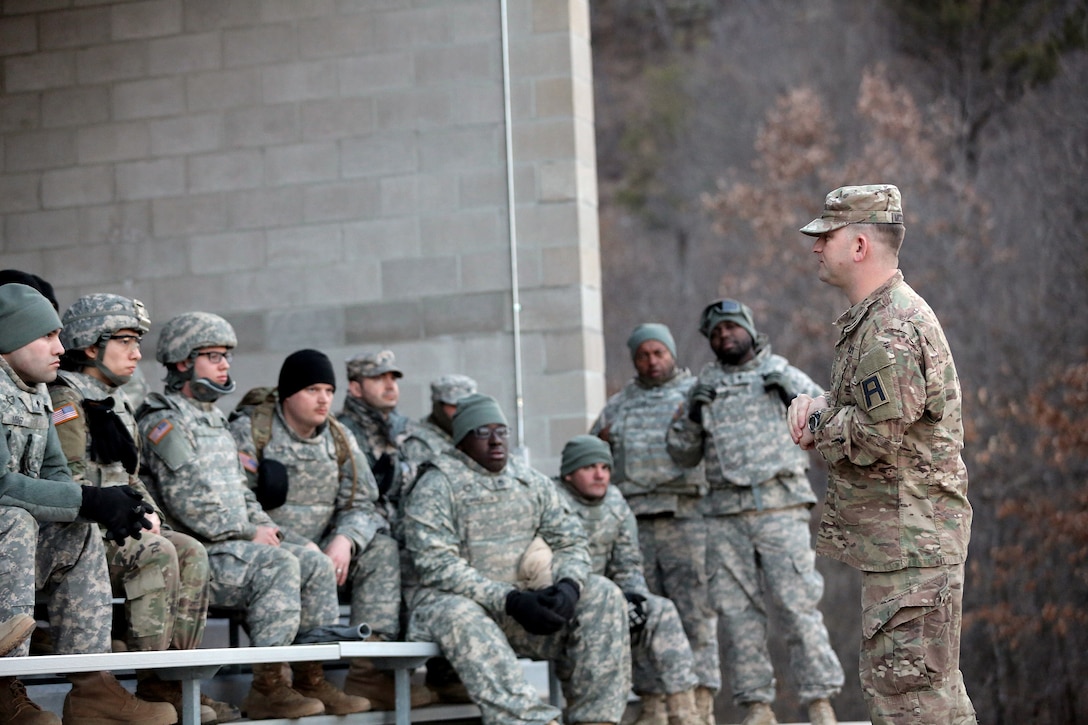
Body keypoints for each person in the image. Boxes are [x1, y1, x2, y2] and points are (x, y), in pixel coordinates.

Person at [789, 184, 976, 724]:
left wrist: (818, 420)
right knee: (924, 693)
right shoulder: (875, 319)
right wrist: (820, 407)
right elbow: (881, 414)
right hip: (903, 542)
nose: (816, 247)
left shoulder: (890, 327)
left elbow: (877, 433)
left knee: (910, 700)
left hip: (911, 543)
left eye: (827, 235)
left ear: (861, 244)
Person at [137, 312, 368, 719]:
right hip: (201, 552)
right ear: (181, 361)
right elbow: (190, 504)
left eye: (226, 355)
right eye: (213, 355)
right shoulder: (165, 420)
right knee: (276, 565)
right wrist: (249, 533)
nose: (225, 364)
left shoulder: (214, 420)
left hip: (233, 544)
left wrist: (271, 529)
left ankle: (309, 679)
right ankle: (269, 684)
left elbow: (240, 493)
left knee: (312, 560)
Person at [48, 294, 232, 725]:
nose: (136, 354)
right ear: (91, 346)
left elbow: (131, 478)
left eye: (138, 342)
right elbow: (70, 483)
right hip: (86, 535)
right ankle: (147, 673)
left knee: (189, 549)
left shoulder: (114, 400)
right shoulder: (67, 400)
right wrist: (134, 521)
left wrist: (152, 517)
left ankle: (166, 680)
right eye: (125, 341)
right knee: (158, 552)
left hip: (120, 527)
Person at [0, 283, 176, 725]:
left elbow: (56, 474)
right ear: (11, 337)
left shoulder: (36, 389)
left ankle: (92, 684)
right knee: (17, 516)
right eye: (47, 336)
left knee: (78, 527)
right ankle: (5, 684)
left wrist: (90, 504)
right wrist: (88, 497)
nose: (60, 348)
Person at [403, 393, 631, 724]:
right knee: (458, 612)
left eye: (502, 431)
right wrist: (509, 600)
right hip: (456, 609)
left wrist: (569, 585)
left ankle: (597, 719)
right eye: (483, 432)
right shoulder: (437, 484)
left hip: (523, 608)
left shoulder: (530, 481)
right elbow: (436, 565)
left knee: (603, 593)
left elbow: (570, 540)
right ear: (462, 439)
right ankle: (532, 721)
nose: (496, 441)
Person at [667, 299, 843, 725]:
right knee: (737, 617)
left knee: (797, 605)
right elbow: (680, 453)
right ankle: (756, 706)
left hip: (780, 509)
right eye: (715, 333)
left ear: (748, 330)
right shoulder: (702, 389)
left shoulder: (781, 373)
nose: (724, 336)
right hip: (724, 515)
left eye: (731, 328)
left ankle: (819, 702)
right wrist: (692, 415)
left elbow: (831, 422)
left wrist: (794, 400)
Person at [228, 348, 431, 710]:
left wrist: (345, 540)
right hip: (274, 544)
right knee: (299, 563)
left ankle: (368, 673)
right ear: (288, 393)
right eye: (312, 390)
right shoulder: (252, 430)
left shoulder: (338, 437)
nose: (323, 399)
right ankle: (286, 680)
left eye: (328, 390)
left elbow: (363, 502)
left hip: (327, 550)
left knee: (381, 550)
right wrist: (294, 541)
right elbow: (235, 495)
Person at [590, 323, 719, 725]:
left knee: (695, 612)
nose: (651, 361)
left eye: (658, 353)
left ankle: (699, 702)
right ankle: (653, 702)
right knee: (641, 615)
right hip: (634, 525)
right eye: (643, 355)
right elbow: (594, 455)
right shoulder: (617, 406)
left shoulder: (695, 394)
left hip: (687, 520)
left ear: (671, 353)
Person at [549, 435, 698, 725]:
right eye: (589, 467)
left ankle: (682, 713)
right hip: (567, 604)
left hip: (612, 599)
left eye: (605, 467)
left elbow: (628, 562)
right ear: (569, 473)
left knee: (660, 610)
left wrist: (634, 598)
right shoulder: (550, 500)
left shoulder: (615, 502)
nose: (599, 474)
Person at [336, 350, 410, 515]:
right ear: (356, 388)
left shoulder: (402, 427)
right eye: (378, 378)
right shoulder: (341, 432)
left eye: (393, 378)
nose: (390, 386)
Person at [399, 373, 478, 487]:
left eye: (469, 406)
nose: (463, 412)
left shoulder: (474, 435)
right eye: (456, 406)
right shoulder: (419, 442)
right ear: (439, 407)